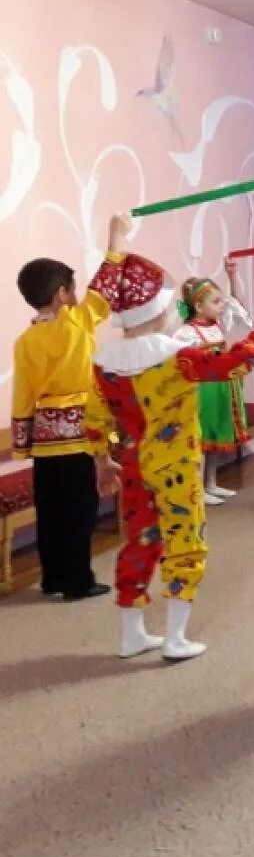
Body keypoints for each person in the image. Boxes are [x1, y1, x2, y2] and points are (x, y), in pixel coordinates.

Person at [85, 246, 254, 660]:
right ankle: (175, 638)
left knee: (139, 540)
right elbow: (231, 363)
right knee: (185, 540)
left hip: (135, 463)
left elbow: (95, 417)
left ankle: (132, 634)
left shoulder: (105, 364)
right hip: (176, 465)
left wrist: (102, 459)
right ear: (159, 311)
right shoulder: (176, 357)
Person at [10, 215, 130, 600]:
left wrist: (22, 444)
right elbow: (107, 286)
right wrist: (116, 235)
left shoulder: (25, 341)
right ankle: (78, 581)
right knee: (80, 510)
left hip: (46, 439)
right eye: (73, 289)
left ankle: (52, 578)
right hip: (81, 433)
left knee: (51, 511)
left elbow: (23, 395)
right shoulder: (76, 323)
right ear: (62, 293)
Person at [173, 259, 254, 506]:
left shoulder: (217, 326)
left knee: (216, 439)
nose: (221, 306)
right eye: (215, 302)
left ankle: (211, 483)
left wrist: (232, 275)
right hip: (202, 390)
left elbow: (237, 305)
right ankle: (197, 489)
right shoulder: (186, 333)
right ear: (198, 305)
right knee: (202, 439)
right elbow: (179, 361)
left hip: (221, 388)